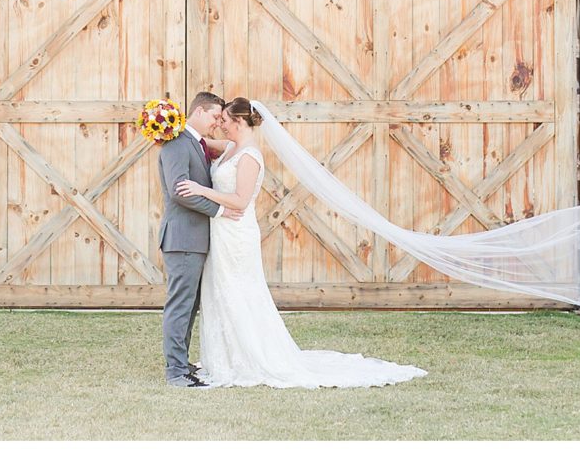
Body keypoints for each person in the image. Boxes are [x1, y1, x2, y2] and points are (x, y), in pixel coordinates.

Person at [175, 97, 427, 388]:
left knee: (240, 292)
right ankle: (225, 356)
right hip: (221, 233)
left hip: (237, 233)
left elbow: (241, 201)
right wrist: (169, 128)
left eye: (226, 121)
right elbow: (200, 144)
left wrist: (200, 190)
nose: (221, 126)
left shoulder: (249, 156)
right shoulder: (231, 148)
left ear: (240, 122)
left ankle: (251, 357)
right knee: (219, 290)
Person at [157, 91, 243, 389]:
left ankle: (182, 364)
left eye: (222, 118)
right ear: (199, 111)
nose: (218, 122)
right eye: (215, 116)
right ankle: (176, 372)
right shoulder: (177, 143)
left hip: (195, 240)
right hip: (182, 239)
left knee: (190, 305)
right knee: (180, 305)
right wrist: (219, 209)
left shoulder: (197, 143)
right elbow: (180, 191)